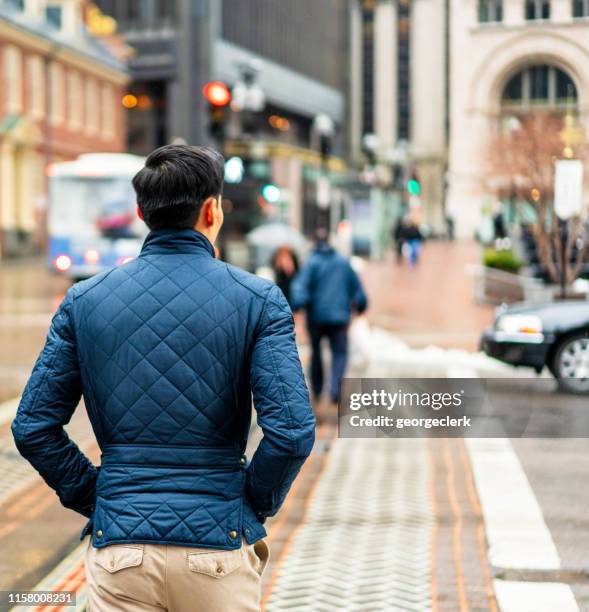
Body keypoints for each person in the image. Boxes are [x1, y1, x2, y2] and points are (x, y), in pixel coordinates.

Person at [12, 145, 316, 612]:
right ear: (212, 209)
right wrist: (249, 503)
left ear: (140, 212)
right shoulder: (258, 300)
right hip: (218, 544)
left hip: (121, 550)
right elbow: (291, 432)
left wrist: (98, 498)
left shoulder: (84, 301)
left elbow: (32, 426)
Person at [291, 229, 368, 409]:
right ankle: (335, 389)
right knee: (340, 353)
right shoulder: (343, 262)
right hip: (340, 317)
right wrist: (361, 305)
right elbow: (357, 288)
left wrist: (297, 304)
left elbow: (300, 288)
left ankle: (317, 389)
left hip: (316, 318)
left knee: (316, 353)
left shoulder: (311, 263)